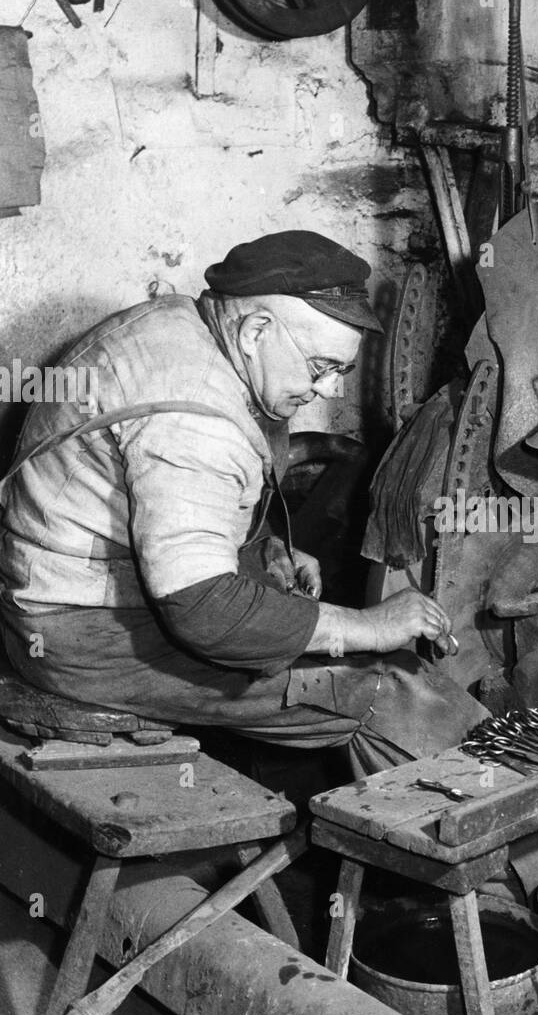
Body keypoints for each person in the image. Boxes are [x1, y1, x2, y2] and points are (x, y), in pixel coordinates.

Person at [0, 230, 486, 774]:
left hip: (52, 600)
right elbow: (203, 609)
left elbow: (162, 505)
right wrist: (369, 627)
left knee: (304, 624)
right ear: (256, 330)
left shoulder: (175, 324)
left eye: (342, 373)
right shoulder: (195, 416)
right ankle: (483, 835)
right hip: (87, 642)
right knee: (390, 687)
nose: (331, 392)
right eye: (322, 366)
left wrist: (264, 549)